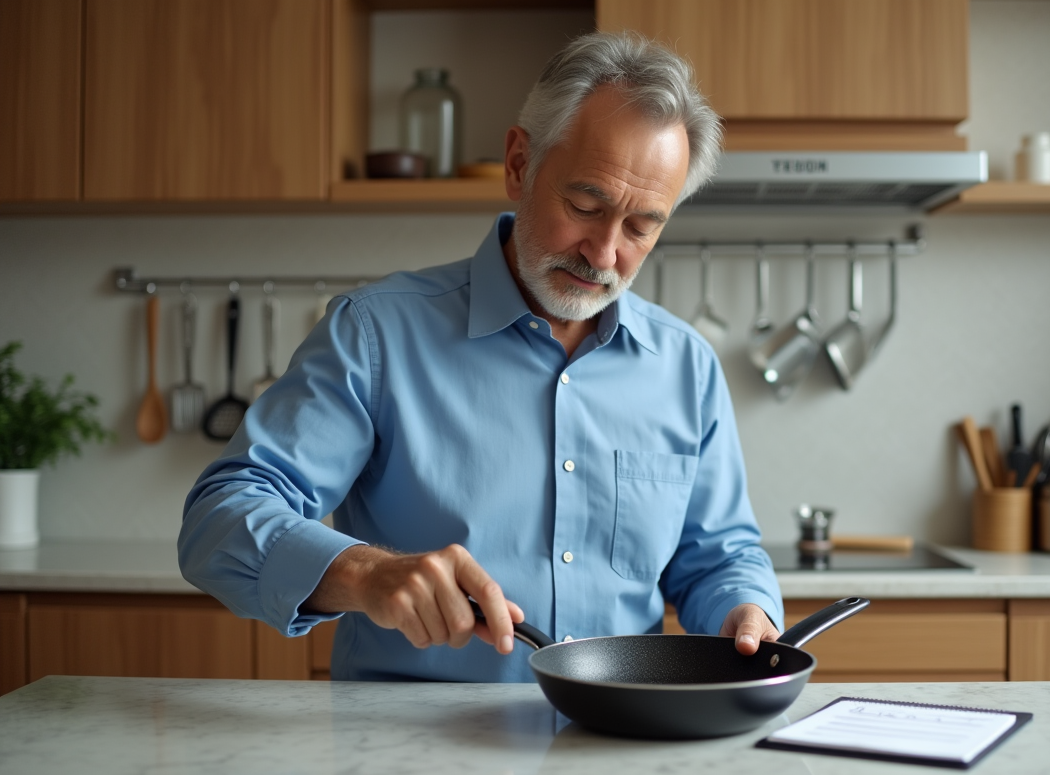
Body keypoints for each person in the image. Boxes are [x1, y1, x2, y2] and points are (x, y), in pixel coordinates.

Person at [179, 31, 784, 683]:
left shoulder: (686, 367)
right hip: (410, 743)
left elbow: (717, 556)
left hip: (619, 737)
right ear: (520, 164)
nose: (605, 253)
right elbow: (220, 519)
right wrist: (366, 575)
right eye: (586, 205)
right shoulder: (375, 335)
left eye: (642, 226)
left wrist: (743, 609)